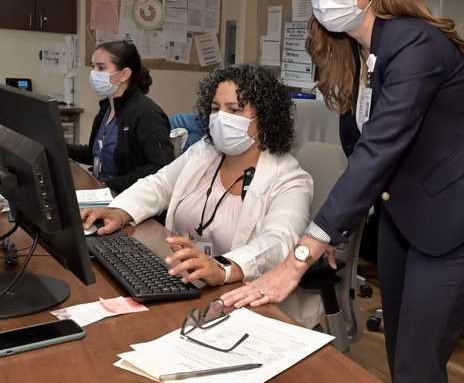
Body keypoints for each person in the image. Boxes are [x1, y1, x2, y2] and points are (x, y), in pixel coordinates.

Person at [221, 0, 464, 383]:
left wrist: (300, 255)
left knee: (417, 362)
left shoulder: (417, 46)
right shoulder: (356, 51)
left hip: (462, 210)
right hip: (408, 207)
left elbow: (378, 151)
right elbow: (366, 153)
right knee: (401, 347)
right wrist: (333, 236)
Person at [81, 65, 321, 327]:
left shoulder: (290, 179)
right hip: (186, 287)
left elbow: (279, 241)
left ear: (265, 118)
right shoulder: (204, 152)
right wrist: (119, 211)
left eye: (235, 109)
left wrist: (224, 268)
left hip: (249, 304)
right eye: (216, 109)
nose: (220, 118)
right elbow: (160, 184)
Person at [67, 41, 174, 194]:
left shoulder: (146, 113)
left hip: (128, 198)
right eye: (93, 67)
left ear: (124, 74)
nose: (94, 73)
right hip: (104, 192)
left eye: (101, 68)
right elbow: (97, 153)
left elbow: (161, 167)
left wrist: (109, 185)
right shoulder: (107, 108)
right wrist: (60, 147)